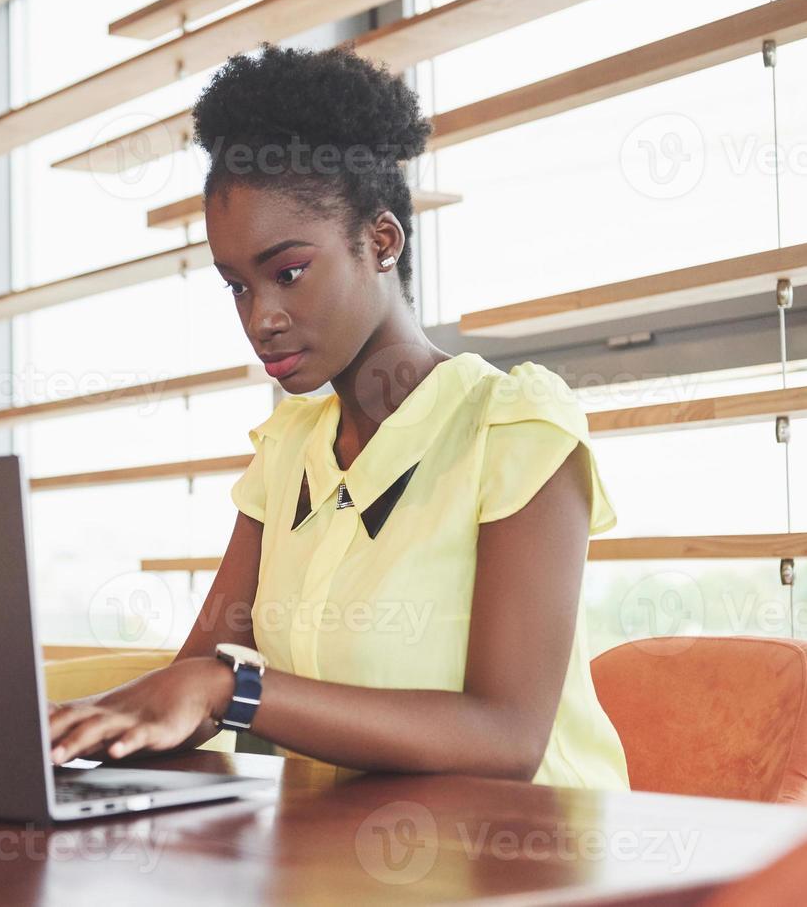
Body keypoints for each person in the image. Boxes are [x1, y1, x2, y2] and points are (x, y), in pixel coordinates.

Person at [47, 43, 629, 788]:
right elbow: (198, 671)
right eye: (237, 287)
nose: (263, 318)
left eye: (288, 272)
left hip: (533, 865)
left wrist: (236, 691)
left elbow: (507, 735)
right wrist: (74, 724)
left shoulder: (512, 427)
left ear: (381, 241)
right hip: (348, 860)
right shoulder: (289, 448)